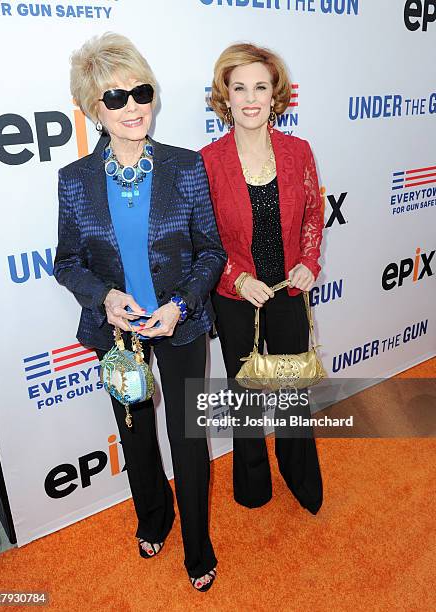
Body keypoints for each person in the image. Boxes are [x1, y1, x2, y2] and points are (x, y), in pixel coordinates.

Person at [54, 32, 226, 592]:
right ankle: (153, 517)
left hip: (180, 323)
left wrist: (180, 304)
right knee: (134, 432)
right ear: (93, 108)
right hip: (118, 333)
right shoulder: (74, 181)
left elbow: (211, 252)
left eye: (141, 91)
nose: (133, 106)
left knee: (188, 436)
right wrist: (105, 297)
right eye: (116, 97)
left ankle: (198, 546)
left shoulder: (185, 167)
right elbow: (68, 262)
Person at [201, 43, 324, 514]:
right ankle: (253, 486)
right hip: (236, 299)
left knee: (293, 394)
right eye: (239, 87)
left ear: (275, 95)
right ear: (224, 96)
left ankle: (300, 476)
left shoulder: (298, 152)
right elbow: (203, 238)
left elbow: (314, 211)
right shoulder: (208, 161)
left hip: (289, 292)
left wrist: (309, 262)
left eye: (260, 86)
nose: (250, 97)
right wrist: (235, 278)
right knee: (246, 395)